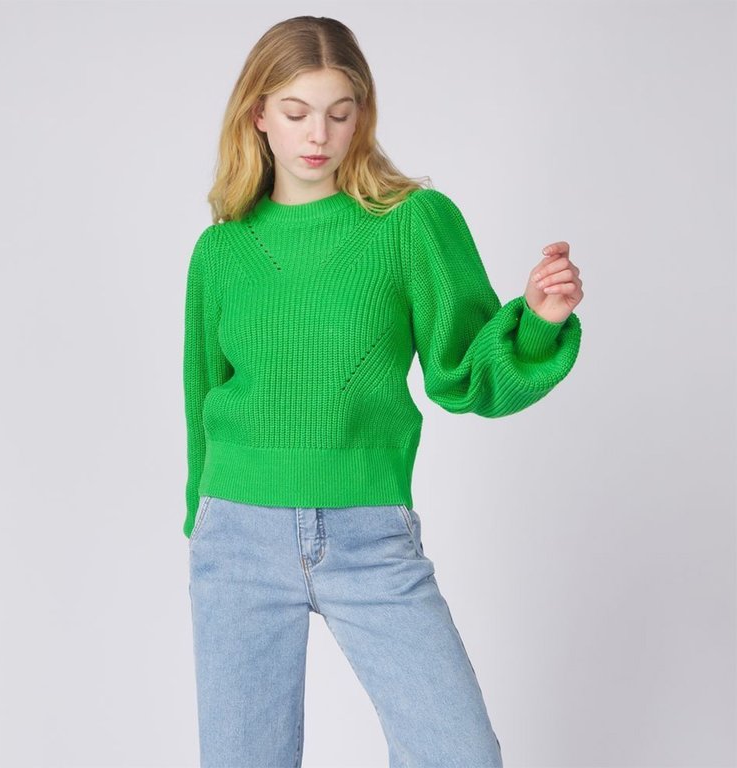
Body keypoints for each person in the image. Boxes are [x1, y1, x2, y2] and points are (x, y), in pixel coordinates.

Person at [183, 15, 583, 768]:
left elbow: (463, 371)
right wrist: (197, 521)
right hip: (235, 536)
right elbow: (201, 394)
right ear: (258, 115)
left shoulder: (411, 223)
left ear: (361, 115)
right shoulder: (221, 250)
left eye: (340, 112)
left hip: (368, 534)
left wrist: (538, 321)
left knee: (459, 755)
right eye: (296, 112)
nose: (319, 134)